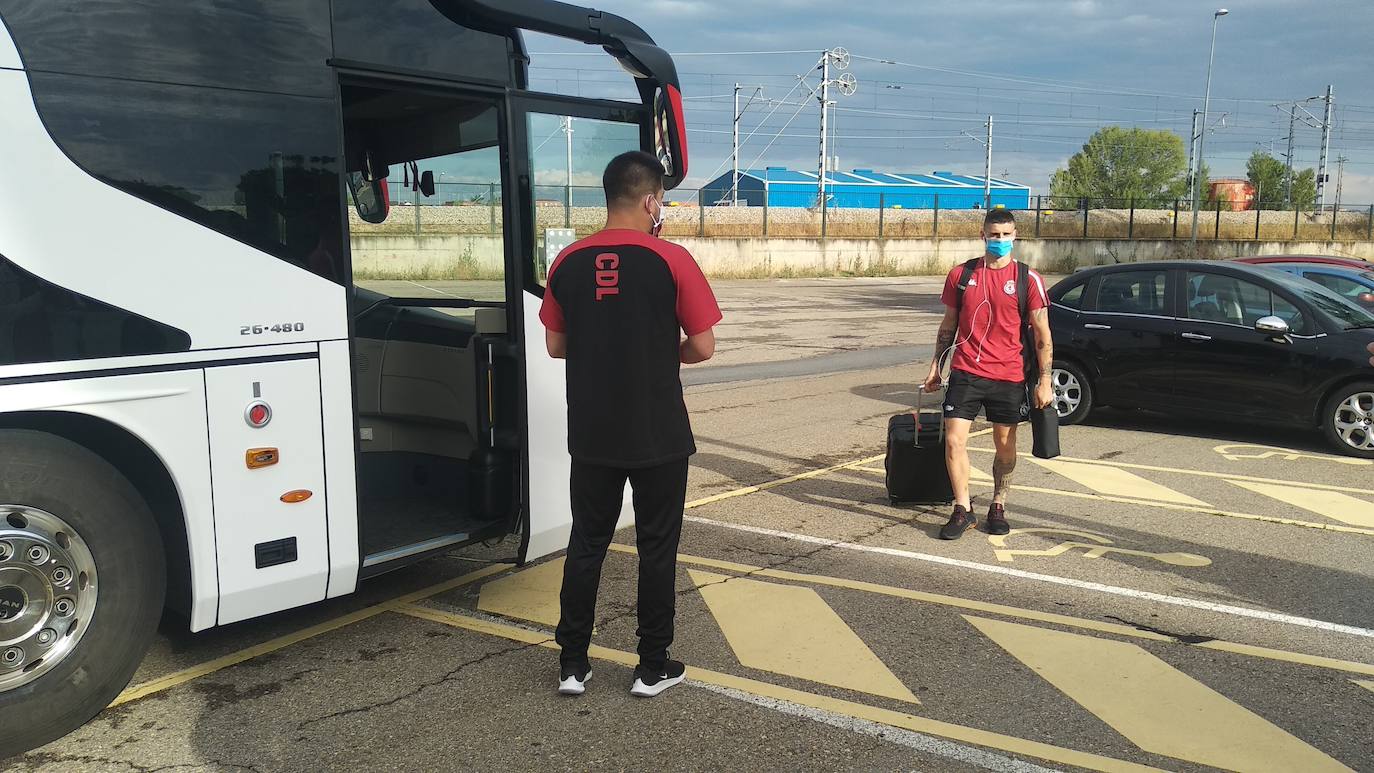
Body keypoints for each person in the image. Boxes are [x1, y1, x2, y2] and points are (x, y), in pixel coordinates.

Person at [539, 151, 722, 698]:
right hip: (657, 431)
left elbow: (554, 345)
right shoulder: (672, 259)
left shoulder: (567, 260)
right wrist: (662, 353)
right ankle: (651, 666)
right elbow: (705, 346)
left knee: (586, 543)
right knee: (656, 546)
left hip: (593, 431)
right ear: (651, 200)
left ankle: (572, 663)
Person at [923, 208, 1053, 540]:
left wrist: (1044, 380)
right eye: (994, 235)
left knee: (1005, 445)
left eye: (1006, 235)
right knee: (953, 441)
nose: (1000, 241)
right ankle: (962, 509)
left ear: (1015, 236)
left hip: (1009, 375)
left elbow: (1042, 335)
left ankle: (998, 504)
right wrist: (936, 364)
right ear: (983, 236)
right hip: (966, 370)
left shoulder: (1028, 279)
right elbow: (948, 325)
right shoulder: (961, 275)